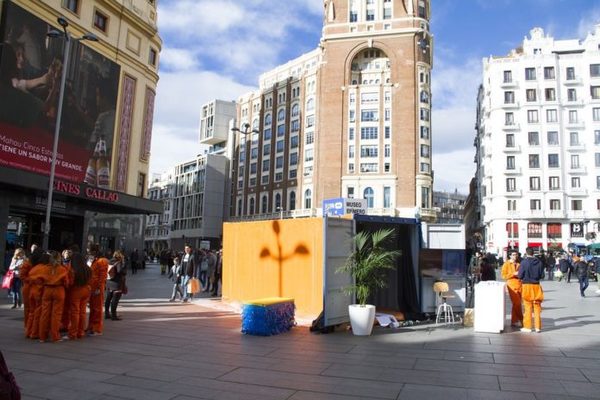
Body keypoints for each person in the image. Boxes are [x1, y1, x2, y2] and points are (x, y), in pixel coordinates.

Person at [28, 251, 70, 342]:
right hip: (59, 290)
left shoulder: (45, 268)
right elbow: (66, 282)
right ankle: (55, 336)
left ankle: (42, 336)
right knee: (56, 314)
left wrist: (42, 284)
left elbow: (36, 278)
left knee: (44, 313)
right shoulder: (62, 269)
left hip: (47, 289)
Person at [518, 247, 545, 333]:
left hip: (527, 285)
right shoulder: (539, 262)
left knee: (528, 307)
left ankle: (528, 326)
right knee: (537, 307)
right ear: (533, 253)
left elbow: (520, 275)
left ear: (526, 253)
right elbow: (542, 275)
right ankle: (538, 327)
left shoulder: (524, 262)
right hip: (536, 286)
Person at [67, 252, 91, 340]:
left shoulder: (73, 270)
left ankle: (73, 333)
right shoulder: (87, 269)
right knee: (82, 312)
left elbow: (70, 282)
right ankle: (81, 332)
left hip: (76, 291)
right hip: (86, 290)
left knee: (75, 312)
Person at [87, 244, 109, 336]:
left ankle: (97, 328)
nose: (88, 252)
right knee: (92, 308)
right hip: (92, 287)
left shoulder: (102, 261)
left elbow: (102, 276)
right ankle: (91, 326)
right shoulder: (93, 260)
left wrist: (99, 288)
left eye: (89, 250)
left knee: (97, 309)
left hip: (97, 288)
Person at [501, 250, 523, 327]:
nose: (515, 256)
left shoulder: (519, 264)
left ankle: (514, 321)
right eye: (513, 255)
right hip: (511, 285)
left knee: (516, 304)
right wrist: (513, 274)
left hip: (520, 284)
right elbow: (503, 276)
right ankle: (522, 319)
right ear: (510, 255)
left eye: (516, 255)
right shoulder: (506, 264)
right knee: (517, 303)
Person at [105, 250, 127, 320]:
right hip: (116, 283)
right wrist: (124, 266)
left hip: (109, 282)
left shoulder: (109, 261)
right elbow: (120, 271)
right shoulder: (118, 262)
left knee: (108, 298)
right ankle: (113, 315)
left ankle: (106, 313)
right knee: (115, 299)